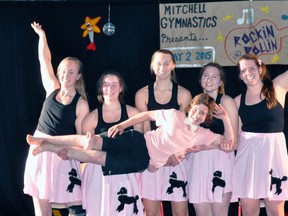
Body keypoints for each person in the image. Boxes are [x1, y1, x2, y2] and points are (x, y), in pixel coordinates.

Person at [26, 93, 234, 176]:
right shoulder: (174, 115)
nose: (198, 114)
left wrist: (225, 118)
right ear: (191, 107)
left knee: (97, 157)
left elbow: (230, 144)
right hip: (137, 142)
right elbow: (144, 115)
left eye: (203, 113)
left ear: (207, 117)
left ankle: (46, 147)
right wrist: (123, 125)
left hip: (142, 161)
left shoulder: (203, 134)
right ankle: (46, 139)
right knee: (93, 141)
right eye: (197, 109)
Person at [23, 22, 90, 216]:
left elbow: (80, 138)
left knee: (75, 204)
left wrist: (73, 155)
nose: (66, 75)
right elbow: (45, 60)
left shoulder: (81, 103)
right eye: (63, 71)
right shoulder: (52, 89)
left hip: (63, 152)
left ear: (78, 76)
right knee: (41, 205)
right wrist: (41, 35)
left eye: (71, 72)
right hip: (39, 149)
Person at [135, 49, 192, 216]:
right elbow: (144, 129)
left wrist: (179, 154)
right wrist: (150, 158)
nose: (162, 67)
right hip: (152, 158)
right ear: (152, 66)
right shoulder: (142, 94)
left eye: (167, 63)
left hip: (175, 158)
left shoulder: (184, 94)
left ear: (173, 65)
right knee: (151, 211)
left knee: (180, 211)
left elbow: (188, 129)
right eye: (158, 63)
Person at [81, 70, 145, 215]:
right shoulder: (90, 119)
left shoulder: (134, 114)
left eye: (114, 85)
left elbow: (139, 147)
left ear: (121, 88)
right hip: (100, 173)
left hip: (127, 171)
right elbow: (85, 153)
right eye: (106, 84)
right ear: (101, 88)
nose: (110, 89)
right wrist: (89, 146)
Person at [233, 54, 288, 216]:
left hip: (274, 157)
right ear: (240, 76)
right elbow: (234, 138)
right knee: (249, 212)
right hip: (248, 158)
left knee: (276, 212)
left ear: (260, 68)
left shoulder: (278, 87)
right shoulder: (237, 101)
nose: (248, 73)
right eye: (243, 70)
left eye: (252, 68)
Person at [185, 62, 239, 216]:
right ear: (200, 79)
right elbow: (186, 132)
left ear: (221, 82)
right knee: (201, 212)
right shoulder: (195, 102)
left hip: (220, 160)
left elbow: (232, 142)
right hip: (196, 161)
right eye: (206, 75)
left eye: (215, 76)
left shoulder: (226, 101)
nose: (209, 79)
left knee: (219, 212)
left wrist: (225, 118)